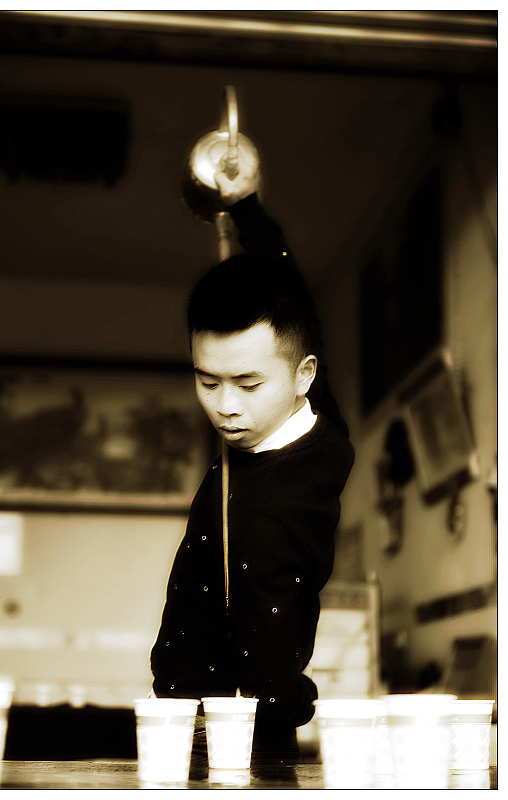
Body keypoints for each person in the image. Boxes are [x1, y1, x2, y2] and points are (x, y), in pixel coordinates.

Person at [150, 159, 354, 762]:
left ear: (302, 374)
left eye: (246, 383)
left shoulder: (271, 514)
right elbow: (285, 282)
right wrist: (245, 206)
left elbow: (270, 662)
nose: (226, 407)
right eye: (207, 381)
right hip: (191, 713)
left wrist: (286, 707)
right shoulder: (319, 417)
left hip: (226, 735)